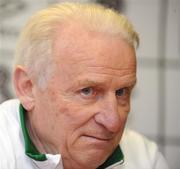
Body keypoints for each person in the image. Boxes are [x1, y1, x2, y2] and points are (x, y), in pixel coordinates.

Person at [0, 2, 169, 169]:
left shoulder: (145, 158)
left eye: (121, 92)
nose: (113, 122)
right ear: (28, 88)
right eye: (87, 91)